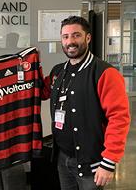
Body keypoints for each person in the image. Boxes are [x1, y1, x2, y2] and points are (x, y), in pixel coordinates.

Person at [42, 16, 130, 189]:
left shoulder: (105, 73)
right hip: (62, 158)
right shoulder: (58, 72)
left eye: (76, 35)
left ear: (87, 38)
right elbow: (39, 91)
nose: (70, 42)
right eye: (65, 37)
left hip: (91, 163)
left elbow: (119, 118)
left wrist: (109, 162)